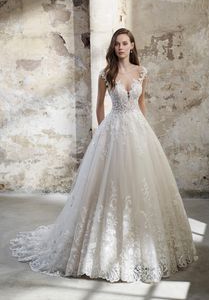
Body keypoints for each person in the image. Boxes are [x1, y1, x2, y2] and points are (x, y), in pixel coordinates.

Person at [9, 27, 198, 284]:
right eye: (117, 44)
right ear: (114, 47)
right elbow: (99, 107)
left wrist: (145, 134)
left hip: (138, 131)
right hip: (114, 129)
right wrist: (102, 135)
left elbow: (142, 104)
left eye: (124, 43)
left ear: (132, 46)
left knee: (142, 187)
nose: (120, 47)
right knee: (110, 186)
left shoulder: (142, 72)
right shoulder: (106, 74)